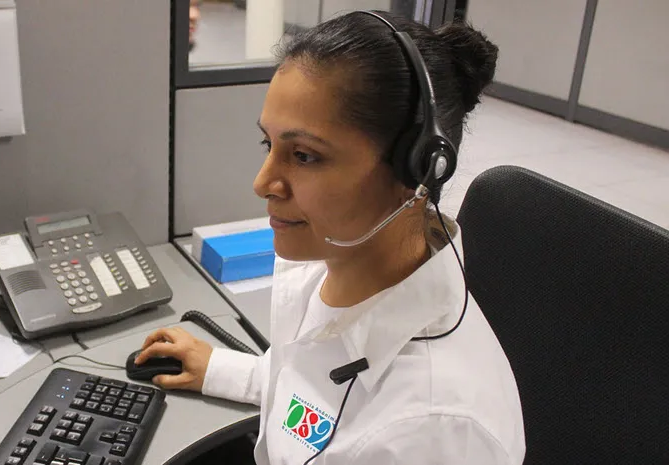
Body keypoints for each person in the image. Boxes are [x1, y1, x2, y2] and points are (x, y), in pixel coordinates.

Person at [134, 10, 525, 465]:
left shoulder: (428, 433)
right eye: (269, 145)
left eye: (303, 156)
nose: (262, 183)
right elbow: (312, 387)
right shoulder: (335, 261)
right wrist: (222, 370)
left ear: (417, 170)